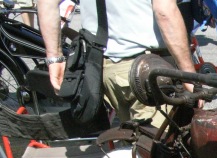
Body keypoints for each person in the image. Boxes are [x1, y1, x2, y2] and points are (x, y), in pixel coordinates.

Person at [37, 0, 197, 124]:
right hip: (146, 69)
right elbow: (165, 12)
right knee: (154, 148)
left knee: (134, 137)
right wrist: (189, 76)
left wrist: (54, 58)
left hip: (101, 65)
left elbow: (46, 3)